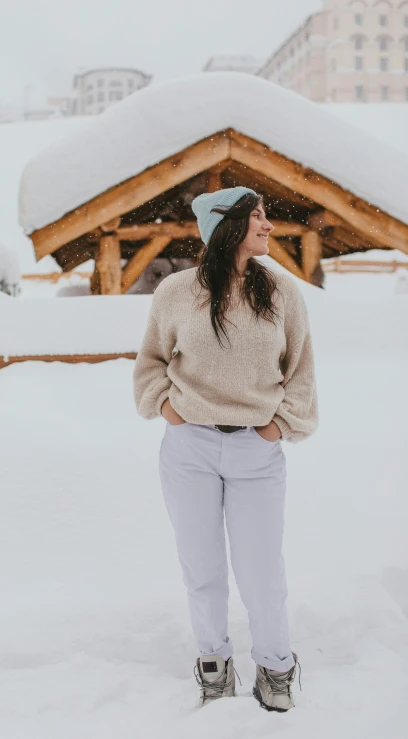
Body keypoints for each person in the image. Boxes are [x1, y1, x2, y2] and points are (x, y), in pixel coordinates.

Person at [132, 186, 319, 712]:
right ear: (226, 227)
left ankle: (275, 667)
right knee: (202, 566)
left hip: (255, 452)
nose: (268, 225)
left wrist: (277, 427)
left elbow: (300, 372)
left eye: (264, 215)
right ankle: (213, 666)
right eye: (257, 217)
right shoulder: (176, 292)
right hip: (188, 448)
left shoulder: (282, 293)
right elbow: (150, 362)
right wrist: (167, 408)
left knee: (261, 570)